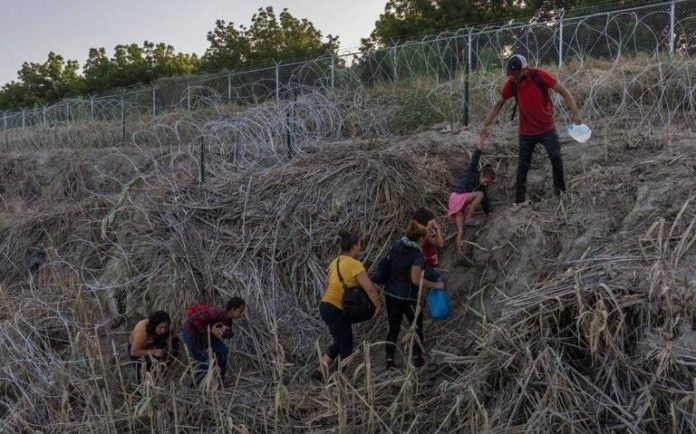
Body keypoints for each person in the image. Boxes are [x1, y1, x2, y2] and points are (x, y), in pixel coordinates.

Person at [479, 54, 582, 206]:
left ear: (525, 69)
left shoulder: (539, 76)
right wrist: (486, 124)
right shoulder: (512, 83)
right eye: (511, 74)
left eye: (516, 73)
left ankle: (560, 195)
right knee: (522, 166)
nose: (513, 77)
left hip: (546, 128)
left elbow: (563, 91)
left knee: (556, 158)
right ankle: (519, 202)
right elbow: (499, 104)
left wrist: (575, 113)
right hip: (526, 132)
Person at [314, 229, 383, 379]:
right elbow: (370, 288)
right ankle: (342, 378)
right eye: (359, 245)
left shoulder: (334, 262)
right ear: (353, 247)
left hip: (325, 306)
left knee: (340, 340)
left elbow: (327, 285)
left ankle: (321, 370)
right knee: (346, 345)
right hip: (336, 309)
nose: (361, 248)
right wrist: (377, 306)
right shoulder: (355, 264)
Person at [384, 220, 445, 369]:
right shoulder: (417, 255)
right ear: (420, 239)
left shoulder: (397, 245)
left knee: (393, 328)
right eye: (424, 239)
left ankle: (389, 361)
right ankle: (418, 359)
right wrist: (436, 285)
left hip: (390, 293)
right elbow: (416, 280)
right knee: (416, 326)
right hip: (407, 297)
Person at [180, 297, 246, 384]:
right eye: (240, 311)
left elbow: (225, 333)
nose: (241, 314)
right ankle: (195, 385)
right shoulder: (215, 313)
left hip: (205, 336)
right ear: (233, 309)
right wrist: (211, 330)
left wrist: (225, 332)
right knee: (204, 361)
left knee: (223, 350)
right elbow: (195, 321)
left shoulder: (228, 320)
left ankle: (219, 381)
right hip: (191, 333)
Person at [447, 144, 496, 253]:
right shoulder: (472, 172)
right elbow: (475, 158)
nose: (487, 184)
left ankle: (459, 254)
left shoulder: (481, 187)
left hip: (459, 204)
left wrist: (490, 212)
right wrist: (482, 142)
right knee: (480, 195)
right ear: (482, 174)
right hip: (457, 197)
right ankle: (469, 218)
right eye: (487, 181)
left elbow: (485, 202)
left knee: (461, 230)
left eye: (489, 183)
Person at [128, 310, 179, 384]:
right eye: (160, 327)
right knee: (143, 375)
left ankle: (160, 376)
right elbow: (134, 352)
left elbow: (173, 334)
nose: (163, 330)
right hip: (138, 349)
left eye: (165, 327)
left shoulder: (164, 329)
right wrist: (153, 352)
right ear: (154, 325)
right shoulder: (142, 330)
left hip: (152, 345)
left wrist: (170, 340)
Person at [412, 208, 445, 282]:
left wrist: (437, 230)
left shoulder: (427, 231)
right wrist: (427, 228)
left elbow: (440, 244)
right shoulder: (414, 234)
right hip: (424, 269)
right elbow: (420, 241)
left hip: (434, 266)